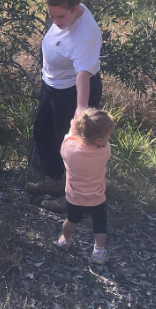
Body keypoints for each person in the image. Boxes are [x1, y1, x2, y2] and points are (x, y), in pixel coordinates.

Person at [26, 0, 103, 214]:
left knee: (72, 147)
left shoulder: (85, 34)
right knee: (42, 133)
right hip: (52, 86)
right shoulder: (68, 9)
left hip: (73, 91)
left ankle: (73, 198)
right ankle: (55, 180)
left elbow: (83, 74)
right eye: (51, 15)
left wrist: (81, 111)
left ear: (74, 8)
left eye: (60, 16)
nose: (55, 21)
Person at [55, 108, 114, 265]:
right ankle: (98, 252)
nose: (109, 139)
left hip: (74, 198)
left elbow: (69, 137)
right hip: (97, 199)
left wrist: (74, 126)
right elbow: (104, 145)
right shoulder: (105, 151)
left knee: (71, 220)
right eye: (108, 136)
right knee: (100, 225)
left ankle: (65, 240)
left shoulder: (68, 150)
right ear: (98, 141)